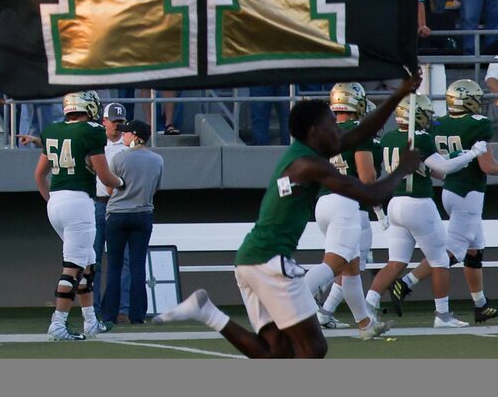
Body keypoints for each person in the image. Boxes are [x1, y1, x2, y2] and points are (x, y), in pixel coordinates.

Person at [164, 72, 419, 357]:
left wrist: (397, 95)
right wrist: (402, 169)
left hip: (250, 259)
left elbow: (359, 134)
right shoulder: (308, 164)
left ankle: (207, 311)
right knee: (314, 348)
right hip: (270, 260)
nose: (337, 129)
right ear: (314, 131)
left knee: (275, 352)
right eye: (331, 124)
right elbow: (371, 194)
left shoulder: (304, 153)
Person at [365, 89, 463, 330]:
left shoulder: (388, 138)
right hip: (418, 202)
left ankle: (367, 308)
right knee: (439, 260)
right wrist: (471, 154)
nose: (429, 119)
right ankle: (442, 314)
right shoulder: (420, 138)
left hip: (395, 203)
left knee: (395, 262)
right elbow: (445, 169)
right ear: (417, 115)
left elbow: (434, 169)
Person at [33, 91, 117, 342]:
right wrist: (122, 183)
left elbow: (39, 176)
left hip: (56, 201)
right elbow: (105, 177)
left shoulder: (52, 130)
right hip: (78, 202)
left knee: (87, 264)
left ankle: (91, 321)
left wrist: (54, 202)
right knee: (73, 267)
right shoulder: (91, 130)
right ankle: (58, 324)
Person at [94, 110, 163, 331]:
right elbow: (156, 188)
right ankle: (137, 313)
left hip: (118, 213)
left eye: (126, 133)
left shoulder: (120, 157)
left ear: (134, 135)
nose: (123, 136)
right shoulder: (157, 159)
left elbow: (109, 187)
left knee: (113, 265)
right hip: (144, 213)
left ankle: (109, 313)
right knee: (137, 265)